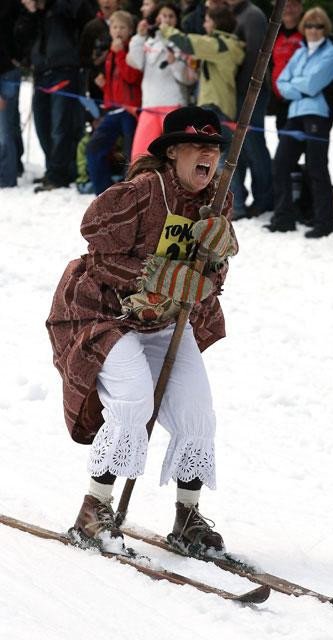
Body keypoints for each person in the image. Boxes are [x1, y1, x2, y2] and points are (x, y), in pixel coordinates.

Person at [46, 106, 238, 553]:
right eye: (197, 146)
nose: (208, 156)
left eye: (214, 148)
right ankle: (93, 513)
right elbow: (96, 251)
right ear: (172, 153)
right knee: (132, 400)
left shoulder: (218, 199)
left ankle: (188, 518)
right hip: (106, 315)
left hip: (166, 321)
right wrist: (156, 276)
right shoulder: (142, 192)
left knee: (197, 412)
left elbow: (211, 277)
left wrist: (217, 262)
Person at [267, 6, 333, 239]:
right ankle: (283, 217)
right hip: (295, 113)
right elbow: (281, 83)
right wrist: (303, 86)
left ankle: (324, 221)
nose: (313, 30)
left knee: (316, 166)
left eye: (318, 26)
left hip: (318, 114)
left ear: (325, 28)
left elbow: (311, 84)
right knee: (280, 163)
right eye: (309, 25)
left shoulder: (331, 54)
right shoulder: (300, 52)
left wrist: (298, 86)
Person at [16, 0, 93, 192]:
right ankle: (53, 169)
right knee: (42, 126)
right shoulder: (33, 14)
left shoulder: (62, 6)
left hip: (64, 70)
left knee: (60, 127)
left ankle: (59, 175)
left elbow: (85, 15)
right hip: (41, 73)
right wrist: (31, 13)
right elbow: (21, 39)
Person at [159, 4, 245, 158]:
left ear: (216, 23)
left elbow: (187, 42)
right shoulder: (221, 45)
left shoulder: (220, 45)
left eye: (207, 20)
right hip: (216, 108)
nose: (204, 24)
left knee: (219, 162)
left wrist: (165, 28)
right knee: (217, 161)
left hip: (217, 109)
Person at [127, 2, 197, 160]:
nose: (166, 19)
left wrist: (175, 64)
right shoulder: (149, 41)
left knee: (175, 155)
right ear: (156, 17)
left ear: (176, 20)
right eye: (163, 15)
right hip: (149, 106)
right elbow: (136, 63)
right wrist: (139, 36)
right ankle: (141, 185)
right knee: (140, 156)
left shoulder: (183, 42)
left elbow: (189, 78)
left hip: (174, 105)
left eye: (171, 16)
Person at [86, 10, 142, 195]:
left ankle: (131, 194)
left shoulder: (130, 49)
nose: (118, 30)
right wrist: (104, 86)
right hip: (112, 110)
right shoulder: (110, 51)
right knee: (94, 148)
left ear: (130, 31)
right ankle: (104, 193)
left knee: (130, 156)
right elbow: (117, 83)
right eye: (115, 26)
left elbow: (133, 77)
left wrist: (119, 54)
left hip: (130, 111)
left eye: (122, 27)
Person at [226, 0, 273, 219]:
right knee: (242, 150)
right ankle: (244, 198)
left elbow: (257, 58)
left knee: (254, 147)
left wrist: (247, 95)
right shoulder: (233, 14)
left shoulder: (252, 15)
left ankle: (264, 198)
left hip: (251, 92)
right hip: (238, 93)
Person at [270, 0, 303, 132]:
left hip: (301, 99)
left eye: (293, 5)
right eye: (285, 5)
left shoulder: (309, 31)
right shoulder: (273, 32)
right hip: (280, 99)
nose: (288, 9)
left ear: (300, 7)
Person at [0, 0, 22, 188]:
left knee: (5, 129)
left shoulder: (11, 7)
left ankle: (7, 177)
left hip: (6, 74)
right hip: (8, 71)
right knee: (8, 126)